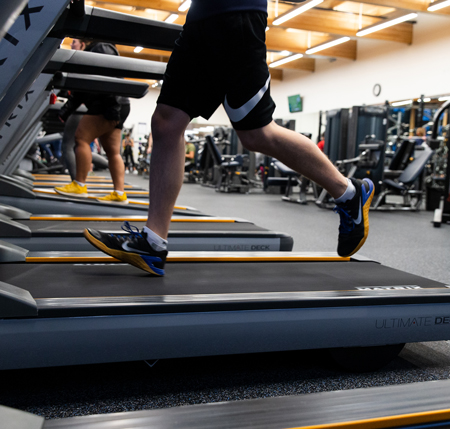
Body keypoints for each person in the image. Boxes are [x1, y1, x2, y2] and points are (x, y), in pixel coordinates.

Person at [84, 1, 375, 276]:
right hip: (199, 20)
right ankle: (153, 242)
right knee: (166, 123)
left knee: (256, 134)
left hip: (235, 16)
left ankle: (349, 192)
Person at [54, 39, 131, 204]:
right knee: (113, 152)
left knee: (81, 138)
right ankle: (119, 193)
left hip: (109, 104)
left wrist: (112, 107)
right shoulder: (87, 56)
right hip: (114, 104)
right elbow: (80, 92)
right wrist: (66, 110)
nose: (71, 45)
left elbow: (110, 76)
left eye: (74, 42)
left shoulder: (101, 47)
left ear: (83, 42)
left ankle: (79, 185)